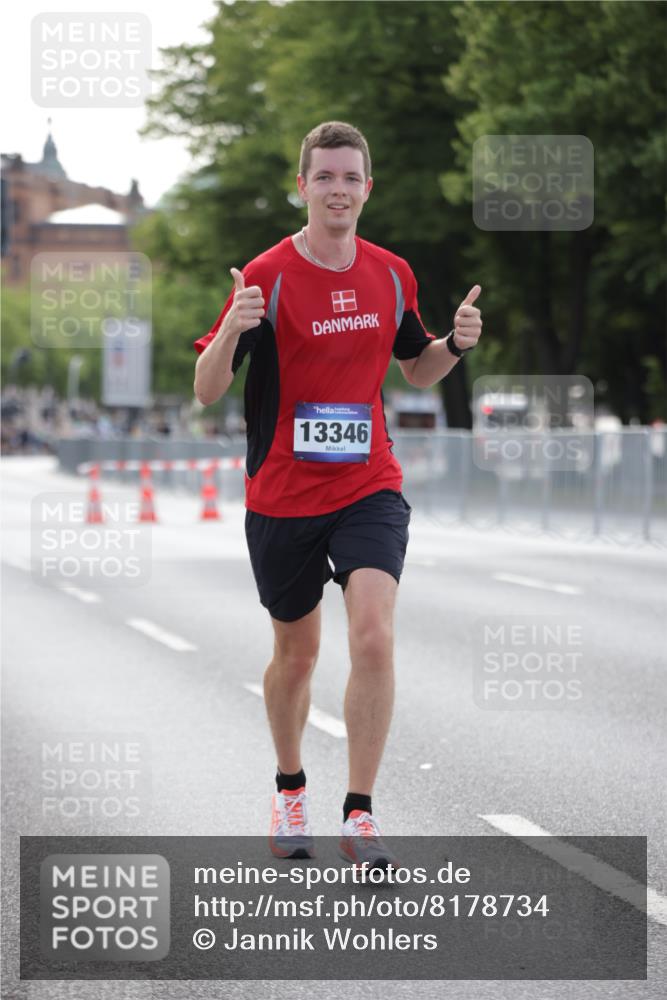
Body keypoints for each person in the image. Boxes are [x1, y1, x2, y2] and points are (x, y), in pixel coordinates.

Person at [193, 121, 482, 868]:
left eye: (350, 177)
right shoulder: (267, 275)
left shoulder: (390, 274)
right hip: (283, 494)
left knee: (373, 634)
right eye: (324, 177)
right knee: (296, 654)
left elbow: (415, 368)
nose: (338, 190)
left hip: (367, 485)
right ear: (303, 186)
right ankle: (290, 786)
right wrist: (232, 328)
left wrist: (454, 345)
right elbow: (206, 390)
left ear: (367, 189)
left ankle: (359, 812)